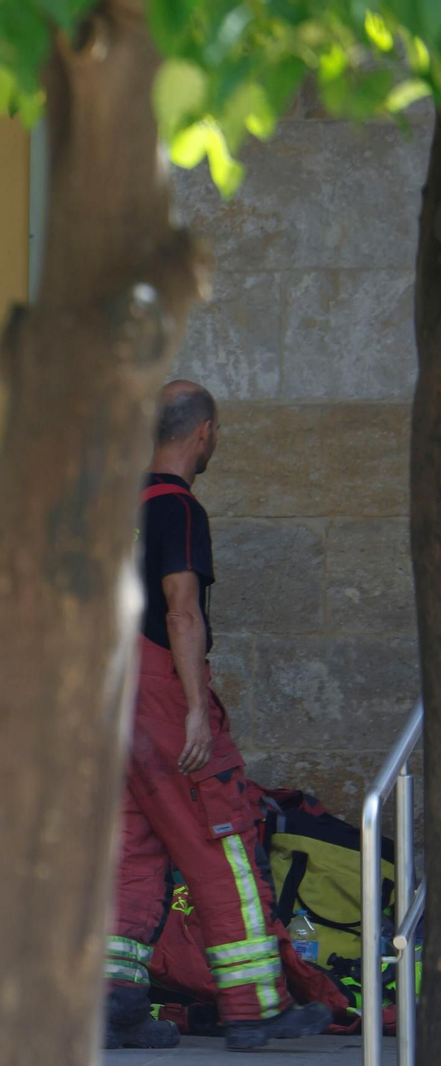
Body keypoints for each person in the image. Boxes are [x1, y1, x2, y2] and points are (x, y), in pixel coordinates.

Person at [103, 381, 332, 1052]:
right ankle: (253, 1008)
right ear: (203, 433)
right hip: (160, 694)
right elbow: (181, 611)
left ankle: (113, 1005)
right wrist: (197, 712)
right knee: (220, 840)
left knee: (132, 849)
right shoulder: (177, 508)